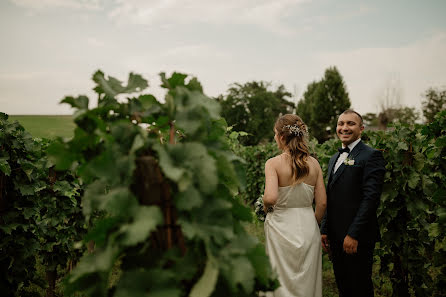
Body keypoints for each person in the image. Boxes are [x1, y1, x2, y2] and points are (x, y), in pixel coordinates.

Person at [320, 109, 386, 297]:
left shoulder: (371, 155)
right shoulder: (334, 158)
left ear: (362, 129)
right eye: (341, 124)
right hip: (335, 235)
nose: (344, 128)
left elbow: (370, 198)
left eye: (351, 124)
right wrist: (324, 229)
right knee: (343, 285)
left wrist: (353, 234)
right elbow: (330, 196)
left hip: (357, 236)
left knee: (360, 286)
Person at [263, 114, 327, 297]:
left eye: (275, 134)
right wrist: (312, 222)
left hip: (280, 225)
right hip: (307, 223)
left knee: (280, 275)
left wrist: (266, 209)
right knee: (307, 277)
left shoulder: (273, 164)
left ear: (282, 137)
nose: (275, 138)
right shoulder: (314, 164)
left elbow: (270, 197)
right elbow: (322, 202)